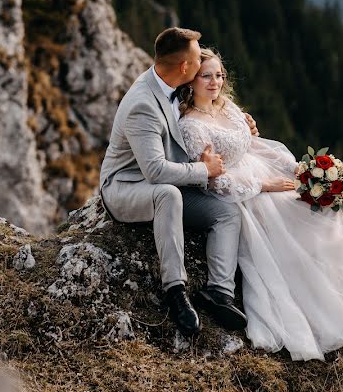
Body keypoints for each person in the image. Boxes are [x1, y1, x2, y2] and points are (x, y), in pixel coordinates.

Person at [176, 48, 343, 360]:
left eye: (219, 75)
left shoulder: (226, 107)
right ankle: (336, 298)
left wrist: (295, 169)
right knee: (306, 225)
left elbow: (252, 144)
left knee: (333, 211)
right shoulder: (191, 125)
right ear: (191, 80)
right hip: (248, 192)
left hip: (265, 168)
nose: (215, 82)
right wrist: (263, 185)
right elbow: (214, 181)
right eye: (206, 76)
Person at [99, 28, 260, 336]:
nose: (203, 61)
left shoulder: (174, 85)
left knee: (226, 212)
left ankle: (219, 293)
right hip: (126, 187)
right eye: (198, 58)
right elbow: (156, 173)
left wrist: (240, 123)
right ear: (186, 68)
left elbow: (203, 117)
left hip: (170, 180)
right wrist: (204, 170)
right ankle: (176, 291)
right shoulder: (143, 105)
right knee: (168, 196)